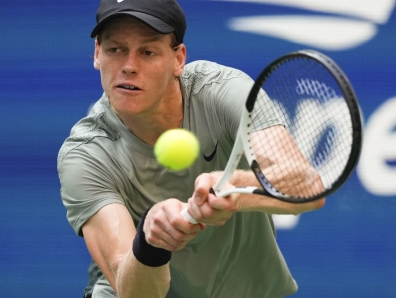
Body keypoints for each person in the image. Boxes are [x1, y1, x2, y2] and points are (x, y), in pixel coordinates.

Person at [58, 0, 325, 297]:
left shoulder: (223, 91)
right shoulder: (85, 153)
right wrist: (151, 242)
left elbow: (308, 188)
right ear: (97, 53)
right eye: (115, 50)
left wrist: (232, 188)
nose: (129, 66)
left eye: (147, 52)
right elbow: (130, 290)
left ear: (178, 59)